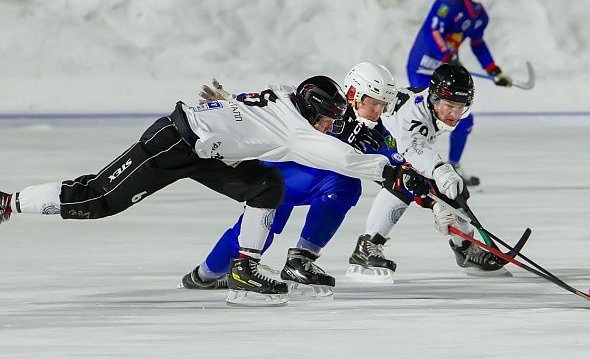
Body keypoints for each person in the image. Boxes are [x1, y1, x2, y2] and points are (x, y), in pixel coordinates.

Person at [0, 75, 429, 306]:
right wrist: (390, 174)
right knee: (95, 199)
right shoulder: (298, 128)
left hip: (210, 152)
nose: (329, 127)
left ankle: (244, 267)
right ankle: (10, 201)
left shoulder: (285, 96)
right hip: (174, 143)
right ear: (313, 109)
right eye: (327, 120)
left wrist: (227, 104)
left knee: (267, 185)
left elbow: (250, 102)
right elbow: (342, 160)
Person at [180, 62, 403, 296]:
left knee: (342, 185)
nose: (378, 111)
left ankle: (210, 274)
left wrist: (424, 176)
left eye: (383, 105)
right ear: (353, 94)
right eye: (374, 103)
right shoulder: (323, 101)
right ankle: (210, 274)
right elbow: (272, 105)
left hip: (287, 177)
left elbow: (399, 162)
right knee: (341, 183)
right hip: (277, 172)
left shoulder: (377, 130)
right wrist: (231, 104)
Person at [347, 64, 508, 281]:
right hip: (369, 140)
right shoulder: (413, 114)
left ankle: (465, 249)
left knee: (448, 190)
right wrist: (439, 176)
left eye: (461, 107)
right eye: (450, 105)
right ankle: (368, 244)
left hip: (390, 141)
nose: (454, 114)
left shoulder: (429, 104)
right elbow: (412, 147)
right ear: (434, 98)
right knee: (406, 181)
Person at [407, 0, 513, 186]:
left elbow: (478, 44)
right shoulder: (448, 4)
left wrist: (494, 69)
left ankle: (453, 166)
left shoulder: (480, 16)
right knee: (423, 117)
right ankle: (418, 165)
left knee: (463, 119)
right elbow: (434, 31)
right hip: (422, 69)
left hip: (445, 71)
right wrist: (447, 54)